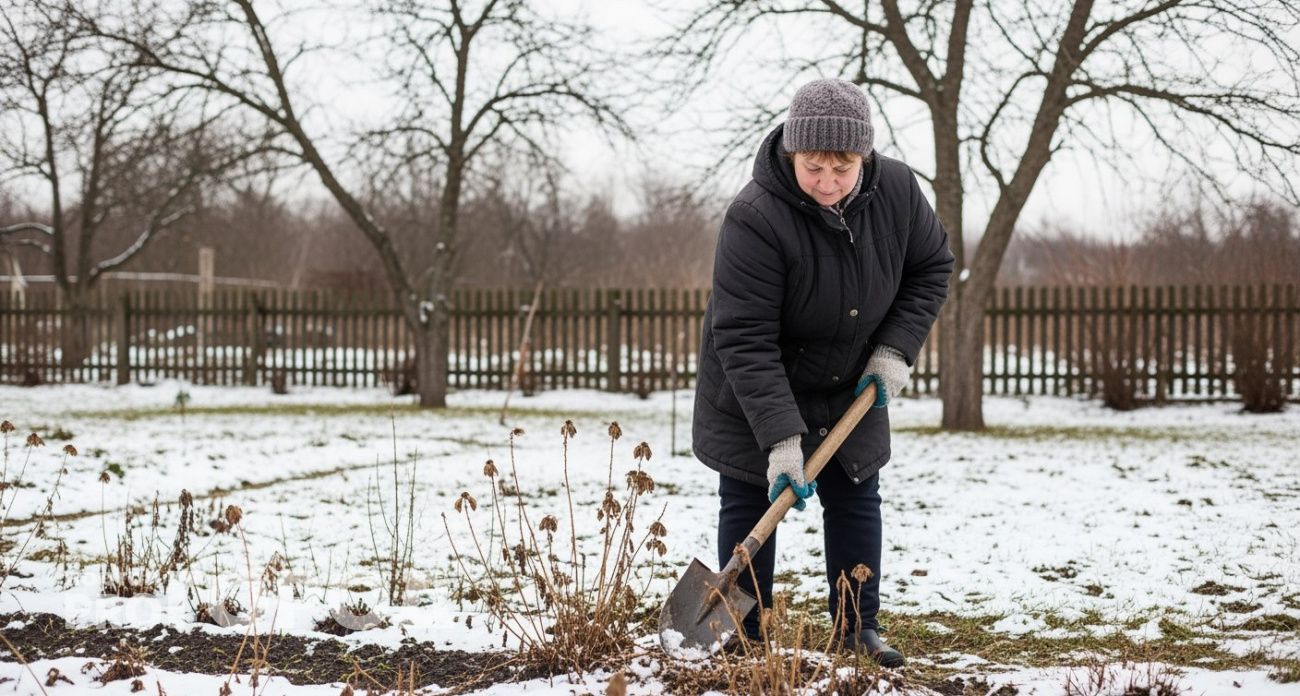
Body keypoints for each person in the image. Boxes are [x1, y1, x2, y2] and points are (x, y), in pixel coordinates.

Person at [691, 78, 954, 667]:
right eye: (814, 167)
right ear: (792, 153)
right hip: (753, 383)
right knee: (750, 498)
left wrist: (895, 348)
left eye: (844, 167)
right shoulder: (754, 217)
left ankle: (858, 627)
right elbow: (744, 336)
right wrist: (781, 440)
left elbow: (932, 267)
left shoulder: (900, 192)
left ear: (865, 157)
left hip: (849, 381)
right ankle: (744, 633)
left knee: (857, 493)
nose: (829, 183)